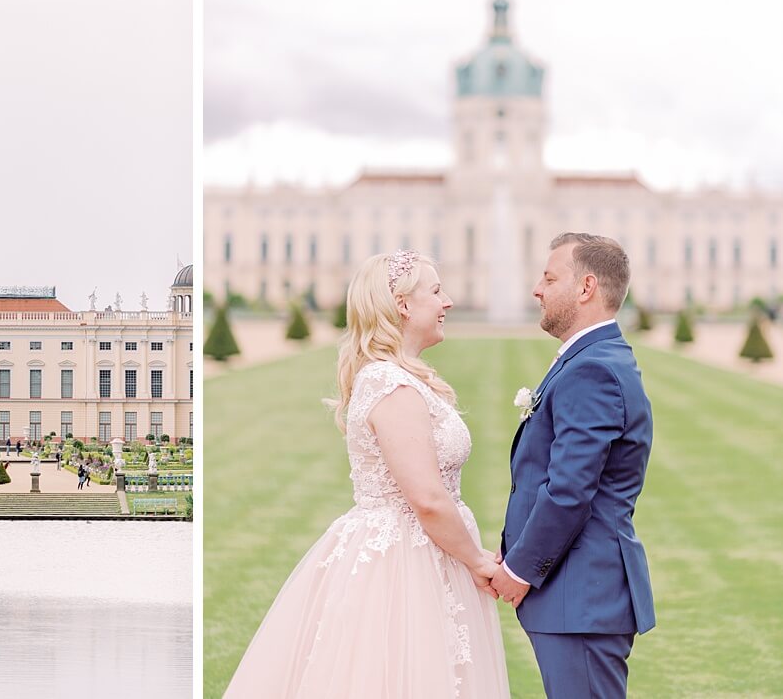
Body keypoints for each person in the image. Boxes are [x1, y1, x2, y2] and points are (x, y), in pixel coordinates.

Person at [225, 251, 509, 698]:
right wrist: (476, 560)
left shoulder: (401, 378)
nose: (448, 302)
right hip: (402, 561)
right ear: (402, 305)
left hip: (428, 553)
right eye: (436, 291)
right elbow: (427, 499)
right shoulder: (389, 384)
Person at [491, 233, 655, 698]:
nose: (536, 290)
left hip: (581, 596)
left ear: (585, 287)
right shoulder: (592, 358)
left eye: (548, 277)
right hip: (578, 595)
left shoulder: (593, 369)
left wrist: (519, 569)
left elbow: (569, 489)